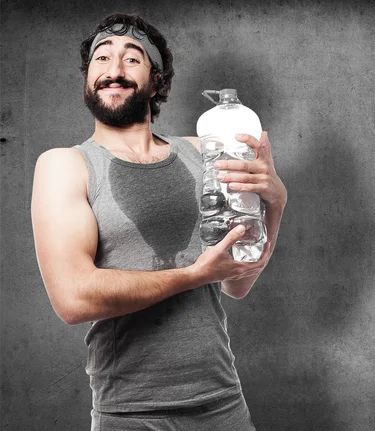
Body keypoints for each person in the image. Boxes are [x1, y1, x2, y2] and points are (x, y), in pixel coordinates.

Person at [30, 13, 286, 430]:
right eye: (101, 58)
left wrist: (275, 203)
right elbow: (73, 298)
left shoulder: (205, 150)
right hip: (131, 413)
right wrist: (193, 274)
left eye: (132, 59)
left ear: (156, 80)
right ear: (88, 75)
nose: (113, 71)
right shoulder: (66, 165)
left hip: (223, 403)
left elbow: (238, 280)